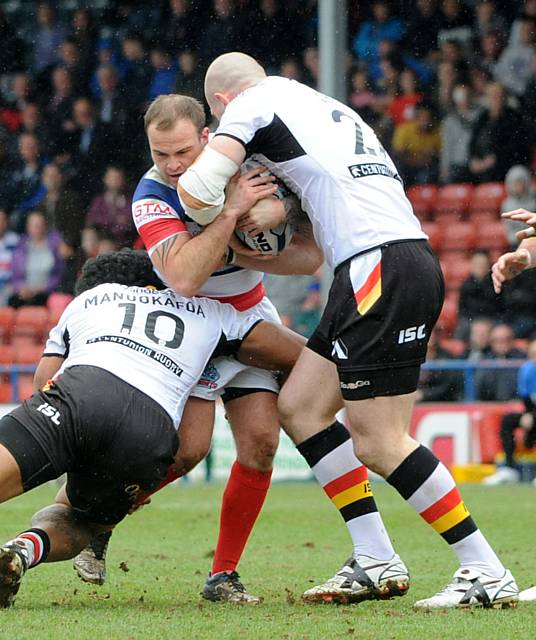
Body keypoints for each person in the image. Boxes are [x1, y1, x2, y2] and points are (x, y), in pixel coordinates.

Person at [176, 51, 519, 610]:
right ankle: (376, 558)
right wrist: (278, 209)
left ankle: (484, 569)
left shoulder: (251, 105)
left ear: (220, 101)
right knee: (301, 407)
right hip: (382, 262)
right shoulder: (324, 107)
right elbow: (310, 249)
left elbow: (195, 189)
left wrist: (226, 203)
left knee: (379, 441)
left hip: (376, 267)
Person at [0, 249, 302, 609]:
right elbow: (300, 354)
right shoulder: (213, 313)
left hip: (74, 398)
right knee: (79, 521)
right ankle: (25, 548)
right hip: (147, 435)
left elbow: (44, 379)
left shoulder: (91, 299)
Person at [75, 93, 321, 603]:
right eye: (160, 153)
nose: (173, 165)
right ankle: (97, 517)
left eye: (183, 151)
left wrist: (278, 211)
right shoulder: (150, 194)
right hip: (193, 327)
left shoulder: (250, 165)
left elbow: (309, 254)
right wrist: (232, 217)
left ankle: (223, 576)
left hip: (252, 316)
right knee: (188, 451)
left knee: (261, 445)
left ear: (208, 137)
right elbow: (184, 279)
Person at [483, 334, 536, 485]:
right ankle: (509, 467)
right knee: (508, 420)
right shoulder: (527, 370)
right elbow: (527, 399)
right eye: (532, 355)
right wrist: (529, 415)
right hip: (533, 413)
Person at [9, 211, 63, 308]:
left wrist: (45, 287)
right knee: (13, 301)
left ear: (45, 226)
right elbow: (15, 275)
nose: (36, 228)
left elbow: (59, 273)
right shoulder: (21, 246)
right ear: (28, 227)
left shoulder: (55, 245)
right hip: (25, 291)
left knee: (40, 300)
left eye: (39, 225)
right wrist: (22, 288)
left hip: (47, 292)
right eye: (33, 225)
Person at [455, 250, 502, 340]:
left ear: (489, 266)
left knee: (501, 332)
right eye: (477, 264)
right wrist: (474, 322)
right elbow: (462, 310)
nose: (480, 267)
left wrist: (486, 322)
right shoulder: (465, 285)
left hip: (492, 320)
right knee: (462, 331)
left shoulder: (496, 282)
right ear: (471, 266)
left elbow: (501, 307)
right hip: (471, 321)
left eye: (482, 264)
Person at [475, 323, 525, 402]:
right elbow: (478, 389)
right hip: (490, 405)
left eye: (507, 339)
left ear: (513, 340)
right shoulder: (484, 361)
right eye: (497, 340)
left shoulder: (523, 359)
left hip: (517, 405)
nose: (502, 344)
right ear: (491, 342)